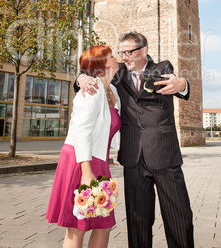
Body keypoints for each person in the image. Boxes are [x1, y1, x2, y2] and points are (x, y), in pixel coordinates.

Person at [76, 32, 194, 248]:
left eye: (129, 52)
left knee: (179, 217)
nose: (124, 57)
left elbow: (182, 89)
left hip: (165, 155)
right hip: (132, 157)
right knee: (137, 221)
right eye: (121, 52)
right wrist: (81, 78)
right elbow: (89, 73)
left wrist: (183, 84)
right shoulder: (118, 73)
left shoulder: (162, 69)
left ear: (144, 51)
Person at [46, 45, 121, 248]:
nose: (116, 59)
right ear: (102, 65)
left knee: (103, 225)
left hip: (100, 160)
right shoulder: (91, 90)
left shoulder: (112, 90)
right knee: (77, 226)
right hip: (82, 159)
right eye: (111, 56)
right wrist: (86, 171)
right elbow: (82, 131)